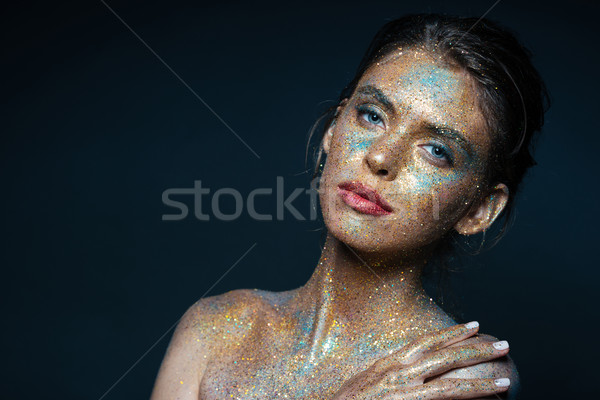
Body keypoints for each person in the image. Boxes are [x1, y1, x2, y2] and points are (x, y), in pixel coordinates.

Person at [150, 13, 548, 399]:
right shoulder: (214, 328)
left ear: (479, 209)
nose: (380, 157)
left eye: (436, 150)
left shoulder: (455, 375)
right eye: (372, 116)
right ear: (333, 129)